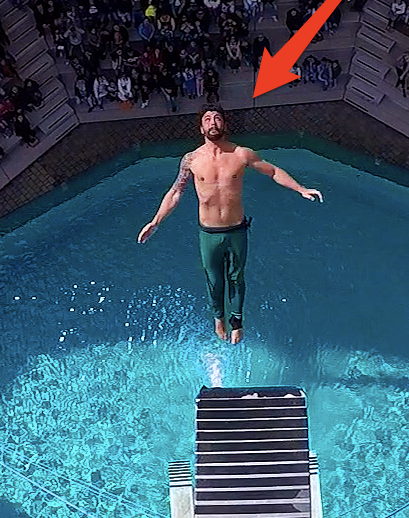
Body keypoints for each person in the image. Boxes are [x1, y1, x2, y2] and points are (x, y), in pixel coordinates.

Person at [137, 108, 323, 343]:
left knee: (236, 278)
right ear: (201, 128)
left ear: (224, 125)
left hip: (236, 229)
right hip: (209, 231)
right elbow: (175, 192)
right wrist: (156, 221)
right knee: (214, 280)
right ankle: (218, 318)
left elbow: (273, 171)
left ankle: (237, 323)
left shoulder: (241, 154)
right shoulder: (191, 160)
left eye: (217, 118)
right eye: (207, 119)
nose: (212, 122)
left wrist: (300, 188)